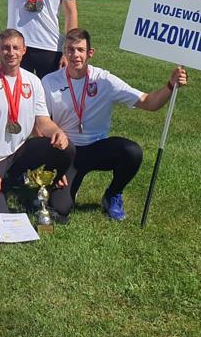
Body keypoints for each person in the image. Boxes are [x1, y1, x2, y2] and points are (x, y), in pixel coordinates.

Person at [43, 29, 188, 221]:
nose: (75, 55)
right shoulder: (50, 81)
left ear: (90, 53)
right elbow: (42, 123)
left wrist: (170, 85)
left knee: (132, 152)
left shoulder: (105, 80)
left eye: (80, 50)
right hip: (67, 151)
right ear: (64, 52)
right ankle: (68, 188)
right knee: (59, 209)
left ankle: (113, 194)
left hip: (97, 148)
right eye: (70, 49)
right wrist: (56, 165)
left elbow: (148, 102)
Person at [0, 28, 74, 229]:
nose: (11, 53)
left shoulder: (32, 81)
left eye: (16, 48)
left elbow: (43, 122)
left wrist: (57, 132)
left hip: (20, 153)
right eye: (6, 48)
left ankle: (46, 184)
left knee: (66, 148)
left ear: (24, 50)